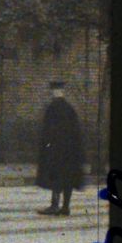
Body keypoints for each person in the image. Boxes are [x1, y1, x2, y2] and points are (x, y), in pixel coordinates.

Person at [35, 83, 84, 215]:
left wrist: (47, 146)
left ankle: (55, 205)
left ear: (54, 92)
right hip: (70, 151)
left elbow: (48, 130)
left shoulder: (52, 107)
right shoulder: (70, 108)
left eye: (54, 91)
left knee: (56, 177)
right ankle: (65, 207)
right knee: (68, 178)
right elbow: (76, 131)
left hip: (56, 150)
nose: (53, 93)